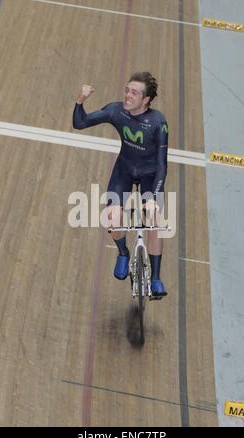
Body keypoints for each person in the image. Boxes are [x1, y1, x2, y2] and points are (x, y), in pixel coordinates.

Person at [73, 71, 168, 298]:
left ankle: (155, 278)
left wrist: (154, 197)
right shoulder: (117, 111)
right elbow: (80, 123)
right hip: (124, 170)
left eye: (134, 93)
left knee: (154, 221)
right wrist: (80, 101)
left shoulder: (158, 123)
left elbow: (162, 164)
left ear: (145, 100)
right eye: (127, 90)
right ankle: (123, 253)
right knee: (113, 218)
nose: (127, 96)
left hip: (150, 176)